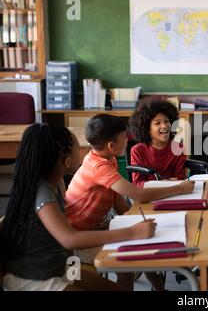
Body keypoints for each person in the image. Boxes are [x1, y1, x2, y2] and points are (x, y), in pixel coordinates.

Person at [0, 123, 156, 291]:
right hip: (35, 280)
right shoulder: (43, 193)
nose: (83, 153)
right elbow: (69, 239)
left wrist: (73, 274)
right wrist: (132, 232)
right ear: (66, 161)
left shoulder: (55, 184)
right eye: (77, 148)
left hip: (59, 268)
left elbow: (64, 244)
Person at [65, 114, 194, 290]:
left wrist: (130, 219)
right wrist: (179, 188)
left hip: (98, 225)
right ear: (111, 145)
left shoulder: (107, 158)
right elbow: (138, 195)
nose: (127, 141)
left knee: (140, 245)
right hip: (82, 236)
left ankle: (160, 288)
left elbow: (117, 196)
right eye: (124, 138)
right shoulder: (99, 166)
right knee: (127, 261)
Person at [129, 99, 186, 187]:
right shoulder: (137, 150)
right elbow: (137, 183)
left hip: (173, 192)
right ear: (146, 128)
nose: (164, 126)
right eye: (157, 123)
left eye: (167, 121)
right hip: (149, 195)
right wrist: (162, 183)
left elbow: (181, 178)